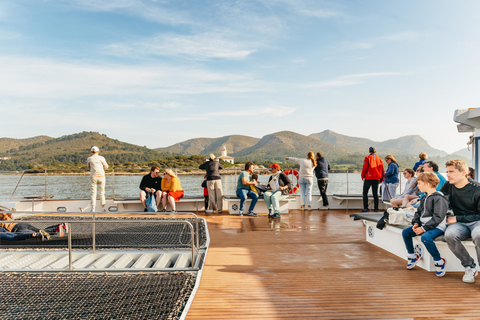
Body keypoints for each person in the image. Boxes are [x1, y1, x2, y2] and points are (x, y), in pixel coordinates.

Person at [441, 159, 480, 283]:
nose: (448, 174)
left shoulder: (477, 188)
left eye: (451, 171)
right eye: (447, 171)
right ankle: (470, 266)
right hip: (458, 223)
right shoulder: (448, 185)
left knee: (479, 235)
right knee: (449, 235)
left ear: (464, 172)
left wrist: (457, 218)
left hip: (476, 221)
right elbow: (438, 200)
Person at [401, 172, 447, 277]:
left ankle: (439, 261)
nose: (418, 186)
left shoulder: (439, 198)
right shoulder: (424, 197)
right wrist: (416, 223)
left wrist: (424, 228)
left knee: (426, 237)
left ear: (428, 184)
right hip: (424, 225)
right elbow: (418, 213)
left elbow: (438, 217)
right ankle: (412, 256)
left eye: (419, 183)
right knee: (406, 232)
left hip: (437, 226)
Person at [0, 211, 68, 240]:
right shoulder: (6, 215)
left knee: (37, 233)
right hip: (22, 224)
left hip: (16, 228)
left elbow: (8, 234)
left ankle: (35, 235)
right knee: (41, 231)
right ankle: (58, 227)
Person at [361, 147, 385, 212]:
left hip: (368, 178)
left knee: (365, 193)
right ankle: (376, 209)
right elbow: (382, 170)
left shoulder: (367, 158)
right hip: (377, 178)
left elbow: (365, 168)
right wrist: (382, 178)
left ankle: (366, 208)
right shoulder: (380, 159)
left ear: (369, 151)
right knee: (375, 194)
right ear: (375, 151)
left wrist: (362, 176)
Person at [86, 146, 109, 212]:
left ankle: (93, 208)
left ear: (91, 152)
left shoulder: (89, 158)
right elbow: (106, 166)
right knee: (102, 193)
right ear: (98, 151)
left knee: (93, 193)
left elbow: (88, 167)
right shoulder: (101, 158)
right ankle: (102, 208)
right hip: (101, 176)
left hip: (93, 177)